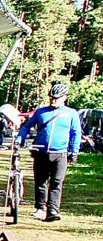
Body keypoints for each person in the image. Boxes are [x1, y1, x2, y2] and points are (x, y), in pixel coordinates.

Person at [17, 83, 81, 222]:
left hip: (60, 153)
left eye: (57, 98)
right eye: (52, 98)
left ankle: (53, 210)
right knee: (40, 181)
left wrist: (74, 151)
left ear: (65, 97)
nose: (54, 100)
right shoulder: (41, 112)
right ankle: (40, 208)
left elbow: (76, 133)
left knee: (57, 182)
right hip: (41, 152)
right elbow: (26, 126)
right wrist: (19, 139)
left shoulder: (71, 113)